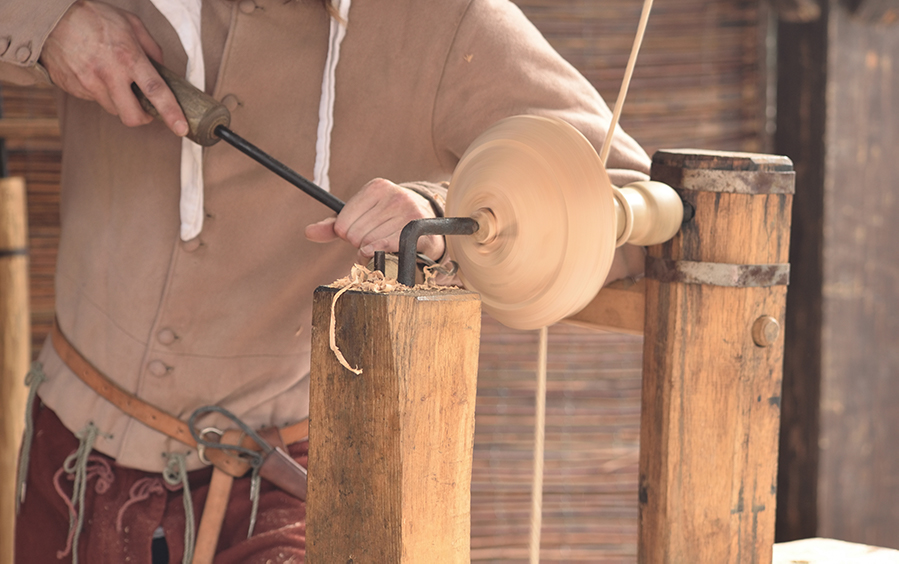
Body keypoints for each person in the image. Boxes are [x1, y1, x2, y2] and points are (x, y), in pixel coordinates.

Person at [0, 0, 651, 562]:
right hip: (68, 465)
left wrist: (439, 213)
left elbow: (628, 202)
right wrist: (51, 19)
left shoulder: (449, 24)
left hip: (276, 494)